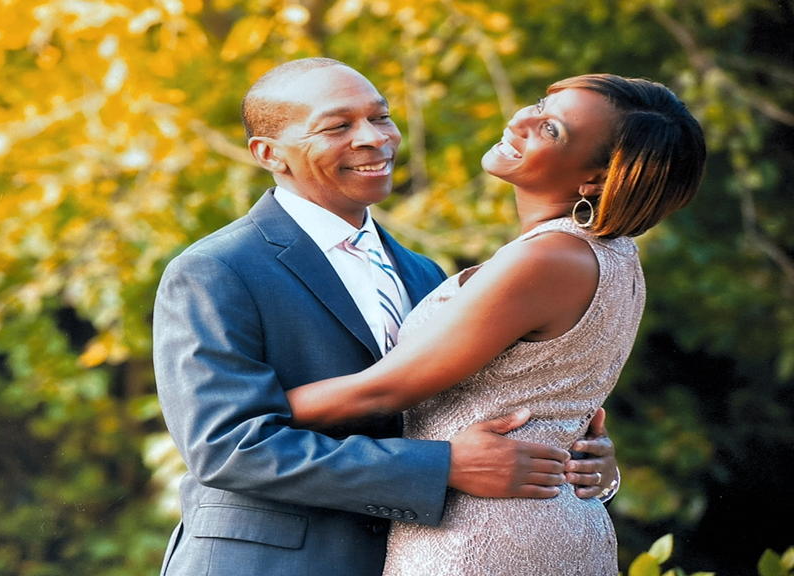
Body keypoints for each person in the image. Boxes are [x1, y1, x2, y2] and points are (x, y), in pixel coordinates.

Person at [153, 58, 620, 576]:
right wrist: (443, 467)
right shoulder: (213, 270)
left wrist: (571, 455)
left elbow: (460, 407)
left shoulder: (425, 273)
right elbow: (226, 447)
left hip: (414, 556)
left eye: (381, 117)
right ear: (270, 154)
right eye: (338, 126)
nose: (374, 138)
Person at [285, 73, 707, 575]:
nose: (521, 119)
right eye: (538, 104)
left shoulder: (551, 259)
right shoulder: (609, 256)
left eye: (552, 130)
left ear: (593, 181)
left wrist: (233, 417)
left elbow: (382, 391)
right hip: (543, 519)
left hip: (484, 534)